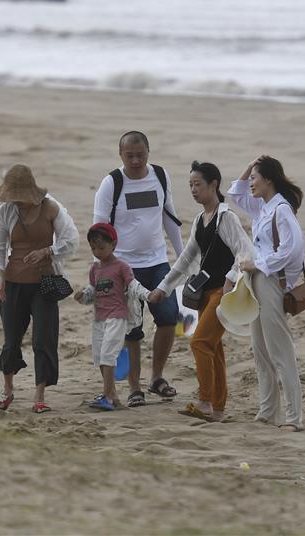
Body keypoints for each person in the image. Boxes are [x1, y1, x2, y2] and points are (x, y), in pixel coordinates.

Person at [149, 162, 254, 422]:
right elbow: (185, 260)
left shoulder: (225, 217)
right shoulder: (200, 219)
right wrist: (163, 288)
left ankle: (205, 402)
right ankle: (217, 409)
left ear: (214, 185)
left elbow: (246, 250)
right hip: (204, 293)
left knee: (200, 343)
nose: (193, 190)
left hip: (222, 293)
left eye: (198, 184)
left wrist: (231, 279)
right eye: (190, 185)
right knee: (213, 348)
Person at [93, 130, 184, 407]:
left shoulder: (160, 175)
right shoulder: (112, 183)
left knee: (169, 318)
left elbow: (169, 217)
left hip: (157, 261)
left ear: (148, 153)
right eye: (129, 155)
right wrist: (101, 269)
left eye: (140, 155)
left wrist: (182, 257)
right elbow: (98, 230)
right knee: (132, 330)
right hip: (124, 266)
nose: (135, 160)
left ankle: (157, 378)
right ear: (120, 155)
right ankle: (135, 388)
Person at [0, 164, 79, 413]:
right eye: (12, 198)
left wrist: (48, 251)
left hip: (45, 283)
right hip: (13, 283)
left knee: (43, 340)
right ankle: (8, 390)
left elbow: (72, 240)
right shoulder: (4, 212)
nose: (17, 203)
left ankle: (40, 395)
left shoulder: (51, 207)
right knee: (11, 340)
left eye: (20, 198)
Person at [229, 155, 305, 432]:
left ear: (269, 180)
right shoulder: (263, 207)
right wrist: (250, 165)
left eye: (255, 178)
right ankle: (267, 412)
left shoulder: (281, 209)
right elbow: (235, 194)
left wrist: (258, 264)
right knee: (260, 350)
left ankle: (294, 418)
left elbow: (291, 249)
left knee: (280, 351)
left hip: (270, 281)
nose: (250, 182)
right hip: (257, 280)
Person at [74, 223, 152, 411]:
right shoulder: (95, 269)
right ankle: (113, 396)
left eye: (101, 247)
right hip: (99, 317)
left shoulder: (121, 267)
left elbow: (133, 286)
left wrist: (149, 295)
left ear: (113, 245)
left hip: (117, 316)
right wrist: (83, 296)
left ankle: (107, 396)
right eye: (94, 248)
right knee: (100, 356)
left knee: (108, 354)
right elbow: (93, 290)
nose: (98, 252)